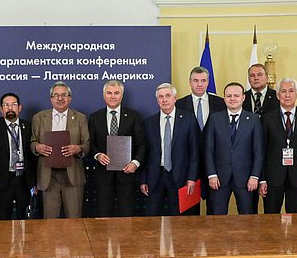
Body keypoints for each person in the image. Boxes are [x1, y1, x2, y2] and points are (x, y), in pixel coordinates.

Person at [31, 82, 90, 219]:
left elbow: (86, 144)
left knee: (74, 220)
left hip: (72, 175)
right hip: (48, 176)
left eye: (64, 95)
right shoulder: (39, 117)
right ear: (51, 98)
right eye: (56, 95)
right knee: (50, 222)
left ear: (70, 98)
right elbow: (32, 142)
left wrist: (78, 148)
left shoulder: (80, 118)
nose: (60, 98)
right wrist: (37, 147)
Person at [88, 79, 146, 217]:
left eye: (116, 93)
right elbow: (89, 144)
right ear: (104, 95)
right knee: (103, 215)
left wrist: (135, 163)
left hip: (127, 174)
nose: (113, 96)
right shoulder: (95, 117)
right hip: (103, 175)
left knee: (126, 215)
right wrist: (97, 155)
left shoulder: (134, 116)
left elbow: (142, 144)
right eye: (109, 93)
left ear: (122, 95)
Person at [204, 82, 263, 215]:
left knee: (247, 218)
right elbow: (209, 149)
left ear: (243, 97)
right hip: (219, 178)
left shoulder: (253, 119)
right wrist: (212, 174)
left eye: (236, 95)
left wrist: (254, 176)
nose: (232, 98)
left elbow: (258, 151)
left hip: (246, 179)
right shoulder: (215, 119)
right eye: (228, 96)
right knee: (217, 218)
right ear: (224, 98)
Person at [140, 83, 199, 216]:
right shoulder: (149, 123)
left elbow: (194, 152)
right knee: (151, 218)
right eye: (161, 97)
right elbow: (145, 153)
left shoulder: (188, 120)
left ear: (175, 98)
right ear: (157, 100)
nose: (164, 100)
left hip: (180, 177)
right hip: (155, 177)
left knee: (179, 219)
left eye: (168, 96)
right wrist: (143, 179)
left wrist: (192, 178)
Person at [259, 78, 297, 213]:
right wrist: (262, 179)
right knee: (270, 219)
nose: (287, 95)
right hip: (273, 178)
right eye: (283, 91)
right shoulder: (267, 118)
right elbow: (262, 150)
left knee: (296, 219)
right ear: (278, 95)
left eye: (291, 91)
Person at [177, 66, 226, 214]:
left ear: (208, 82)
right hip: (188, 166)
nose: (199, 84)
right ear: (190, 82)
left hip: (215, 166)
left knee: (215, 210)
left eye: (203, 81)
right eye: (196, 81)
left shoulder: (220, 103)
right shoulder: (179, 104)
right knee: (190, 213)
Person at [0, 93, 36, 220]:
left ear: (20, 108)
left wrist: (34, 183)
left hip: (24, 181)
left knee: (24, 219)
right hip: (2, 182)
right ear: (1, 109)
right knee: (2, 220)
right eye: (6, 105)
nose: (10, 108)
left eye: (13, 104)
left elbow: (33, 158)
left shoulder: (28, 126)